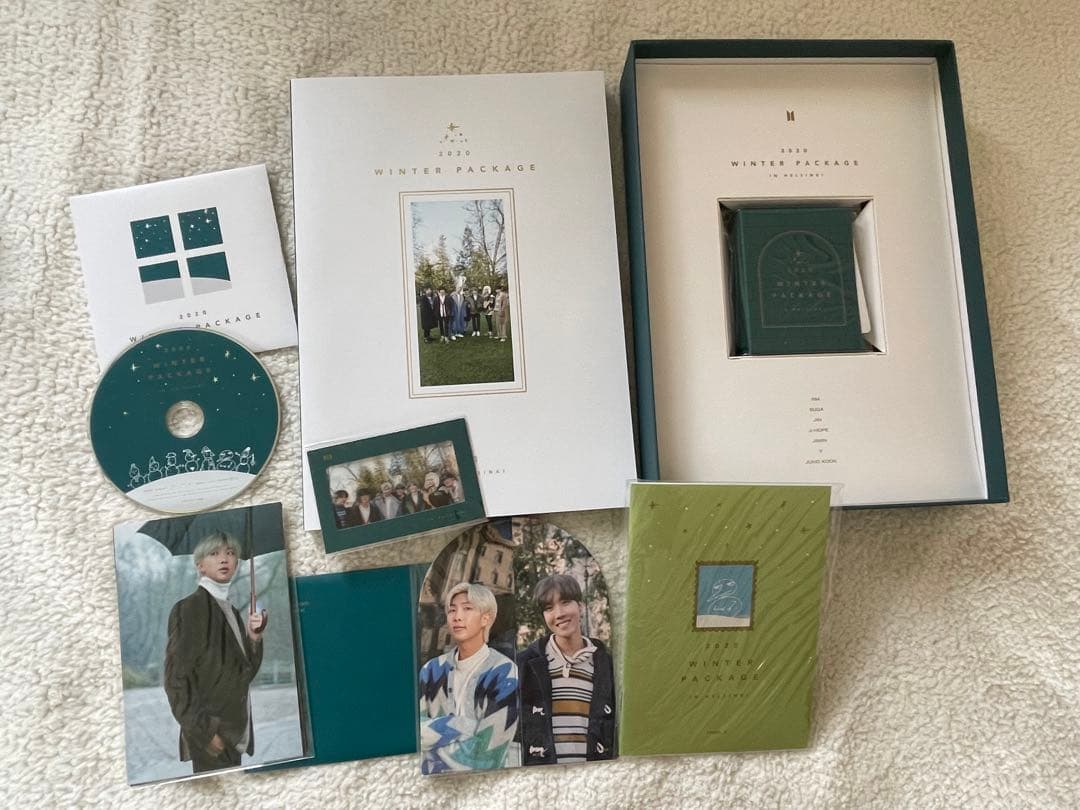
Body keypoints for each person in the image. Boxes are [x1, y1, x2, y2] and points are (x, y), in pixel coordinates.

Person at [163, 531, 267, 774]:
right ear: (200, 565)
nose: (224, 559)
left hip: (233, 734)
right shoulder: (189, 609)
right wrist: (206, 733)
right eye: (214, 553)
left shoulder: (231, 611)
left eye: (230, 553)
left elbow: (243, 675)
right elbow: (175, 681)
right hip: (211, 739)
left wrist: (254, 637)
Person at [418, 582, 519, 773]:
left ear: (485, 618)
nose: (457, 617)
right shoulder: (431, 670)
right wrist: (461, 725)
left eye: (467, 608)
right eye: (452, 610)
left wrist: (432, 754)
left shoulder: (504, 672)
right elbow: (414, 736)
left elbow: (488, 756)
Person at [516, 574, 615, 766]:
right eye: (549, 608)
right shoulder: (525, 664)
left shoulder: (607, 665)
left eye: (565, 602)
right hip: (543, 778)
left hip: (593, 776)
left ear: (580, 606)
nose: (559, 613)